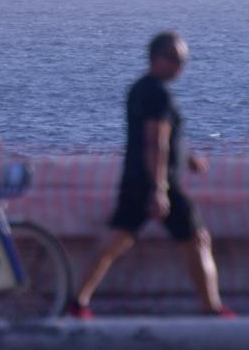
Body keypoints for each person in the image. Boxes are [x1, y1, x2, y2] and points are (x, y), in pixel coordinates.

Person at [68, 32, 234, 319]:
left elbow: (165, 137)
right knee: (197, 239)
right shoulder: (158, 94)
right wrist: (158, 189)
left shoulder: (139, 89)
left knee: (116, 240)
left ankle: (77, 302)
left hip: (136, 181)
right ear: (158, 58)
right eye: (177, 59)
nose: (182, 66)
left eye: (184, 60)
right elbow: (154, 141)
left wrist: (188, 158)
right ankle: (212, 309)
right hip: (159, 184)